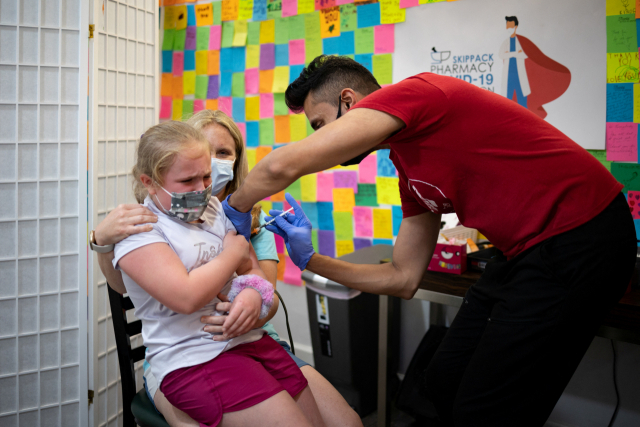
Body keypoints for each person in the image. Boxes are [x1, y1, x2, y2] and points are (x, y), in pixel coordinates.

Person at [220, 55, 636, 427]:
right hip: (526, 253)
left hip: (585, 233)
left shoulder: (419, 93)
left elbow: (281, 166)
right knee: (440, 380)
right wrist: (311, 260)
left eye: (319, 125)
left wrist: (232, 210)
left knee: (487, 408)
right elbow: (403, 279)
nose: (318, 137)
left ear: (349, 100)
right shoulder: (410, 169)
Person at [92, 110, 362, 427]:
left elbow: (256, 279)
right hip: (194, 358)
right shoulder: (142, 229)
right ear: (149, 182)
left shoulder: (216, 210)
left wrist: (252, 295)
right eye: (187, 179)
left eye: (207, 174)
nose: (202, 187)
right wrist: (101, 241)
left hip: (250, 341)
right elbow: (178, 294)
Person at [499, 16, 571, 118]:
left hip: (519, 75)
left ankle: (526, 120)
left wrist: (511, 53)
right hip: (509, 75)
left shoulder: (520, 41)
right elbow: (502, 55)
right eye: (507, 25)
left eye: (510, 25)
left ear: (515, 26)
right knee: (508, 99)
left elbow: (523, 54)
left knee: (522, 98)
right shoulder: (506, 42)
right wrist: (515, 53)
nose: (508, 28)